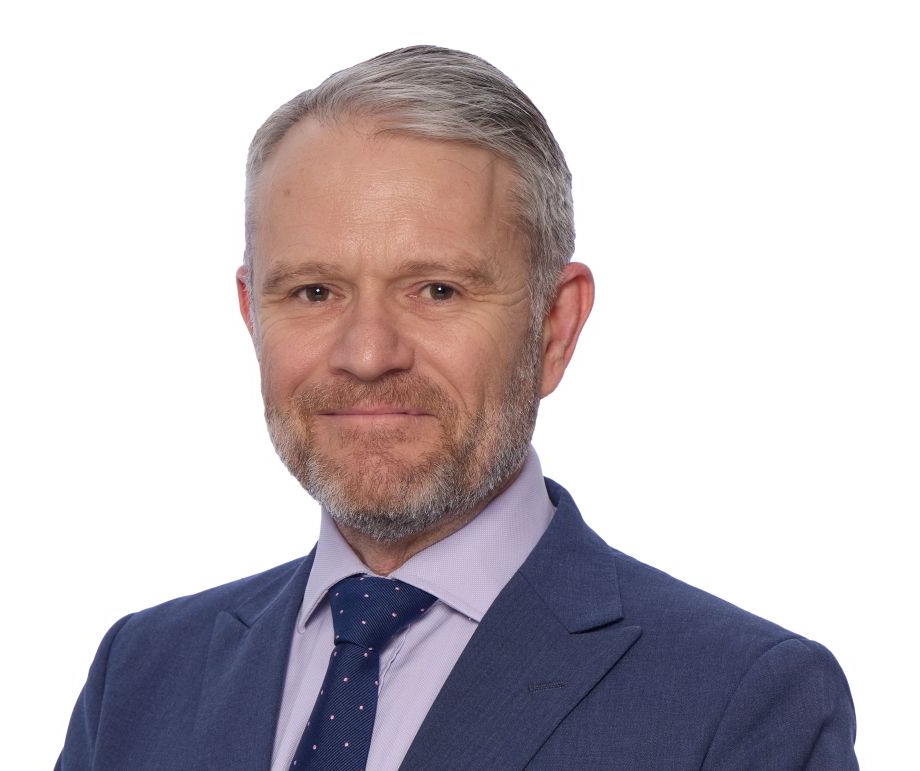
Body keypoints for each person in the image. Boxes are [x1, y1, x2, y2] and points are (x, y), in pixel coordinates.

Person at [56, 45, 858, 770]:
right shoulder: (140, 677)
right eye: (314, 291)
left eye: (437, 289)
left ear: (554, 326)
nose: (368, 353)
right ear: (252, 317)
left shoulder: (738, 705)